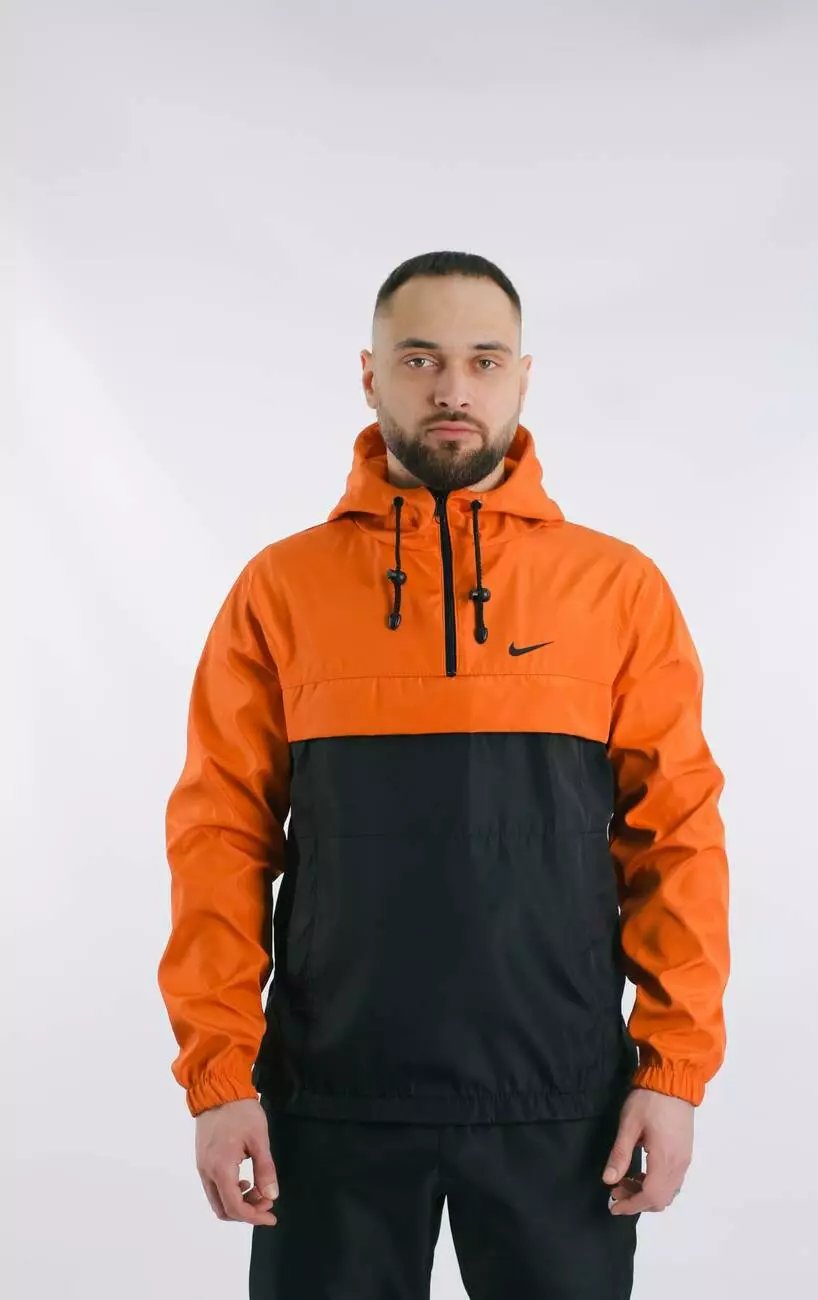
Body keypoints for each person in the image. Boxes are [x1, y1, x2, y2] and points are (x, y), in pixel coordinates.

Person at [157, 249, 730, 1299]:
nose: (453, 388)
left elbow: (678, 836)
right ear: (369, 375)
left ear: (522, 378)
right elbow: (219, 839)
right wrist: (218, 1075)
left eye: (483, 360)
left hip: (564, 1103)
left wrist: (674, 1069)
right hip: (328, 1104)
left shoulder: (617, 589)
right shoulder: (280, 589)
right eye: (419, 359)